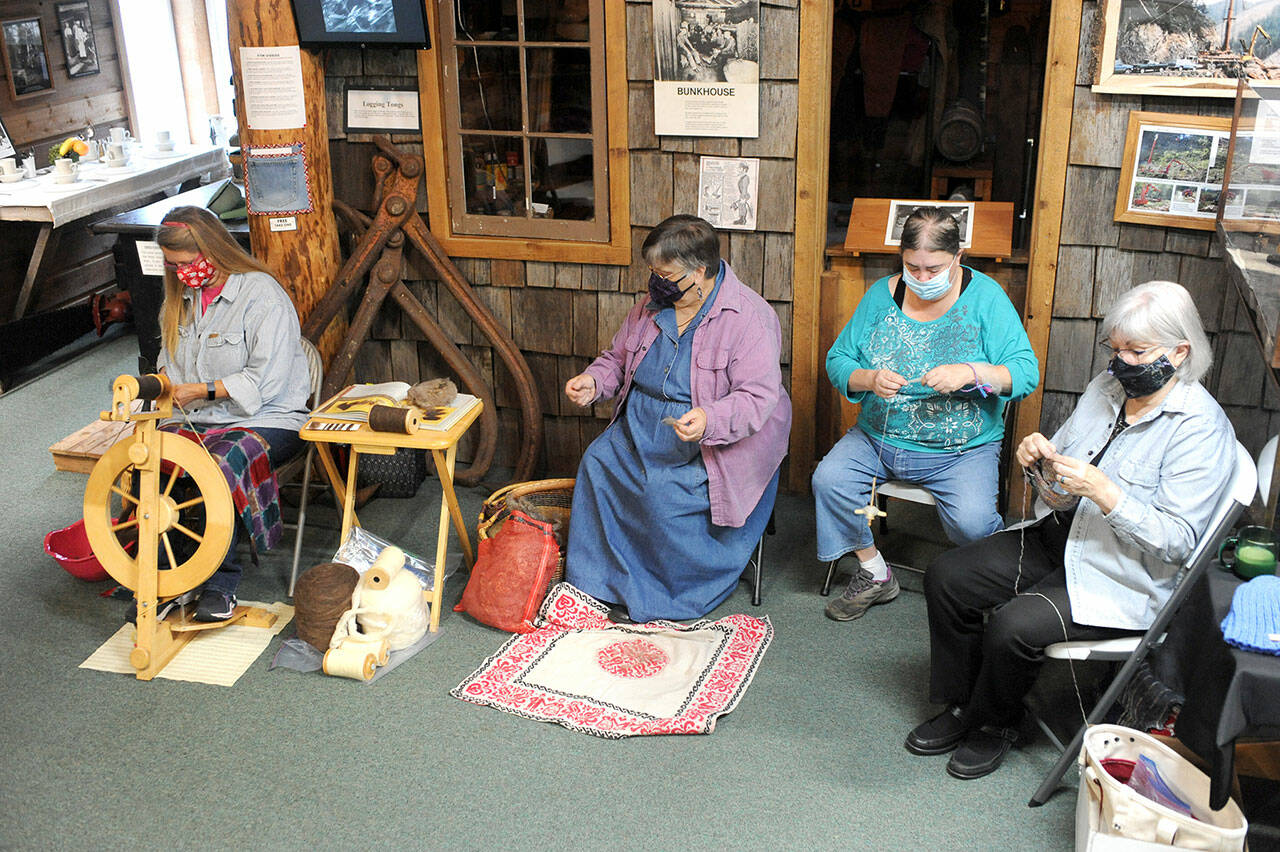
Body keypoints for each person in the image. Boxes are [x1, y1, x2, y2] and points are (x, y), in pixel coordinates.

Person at [907, 280, 1236, 780]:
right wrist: (1039, 463)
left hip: (1122, 570)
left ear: (1179, 351)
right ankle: (962, 704)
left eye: (1137, 351)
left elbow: (1178, 542)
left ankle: (994, 724)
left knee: (1014, 625)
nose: (1122, 361)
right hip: (1062, 535)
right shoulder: (1106, 389)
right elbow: (1059, 482)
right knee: (948, 576)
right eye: (1116, 348)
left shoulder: (1199, 429)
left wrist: (1108, 494)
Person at [812, 206, 1038, 622]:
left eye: (934, 268)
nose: (922, 277)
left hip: (961, 449)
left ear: (958, 257)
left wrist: (971, 372)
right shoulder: (882, 294)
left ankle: (983, 586)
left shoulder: (986, 298)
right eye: (912, 266)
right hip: (879, 439)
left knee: (972, 525)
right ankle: (874, 571)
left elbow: (1025, 373)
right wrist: (867, 378)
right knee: (829, 481)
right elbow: (838, 358)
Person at [563, 214, 791, 623]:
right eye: (653, 271)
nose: (657, 282)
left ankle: (665, 596)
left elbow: (758, 397)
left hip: (712, 435)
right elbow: (617, 359)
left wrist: (710, 419)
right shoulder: (650, 308)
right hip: (643, 422)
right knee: (598, 463)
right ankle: (600, 584)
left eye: (665, 273)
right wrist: (594, 382)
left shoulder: (749, 317)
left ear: (700, 270)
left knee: (662, 496)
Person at [150, 206, 310, 621]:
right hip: (200, 416)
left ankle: (221, 582)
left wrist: (201, 390)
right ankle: (171, 575)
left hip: (269, 417)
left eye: (185, 263)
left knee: (217, 465)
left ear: (212, 250)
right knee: (152, 458)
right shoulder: (180, 300)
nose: (181, 272)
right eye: (173, 265)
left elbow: (267, 383)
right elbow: (167, 363)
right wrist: (164, 386)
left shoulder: (262, 295)